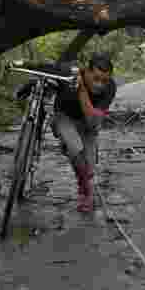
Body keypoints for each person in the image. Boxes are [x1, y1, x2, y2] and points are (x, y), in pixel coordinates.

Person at [51, 52, 117, 213]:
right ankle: (86, 193)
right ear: (86, 71)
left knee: (88, 170)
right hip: (64, 117)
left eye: (104, 80)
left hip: (88, 125)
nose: (100, 85)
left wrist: (81, 90)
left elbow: (92, 121)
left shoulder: (110, 87)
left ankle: (83, 181)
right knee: (77, 152)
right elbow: (43, 70)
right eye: (95, 78)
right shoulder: (69, 73)